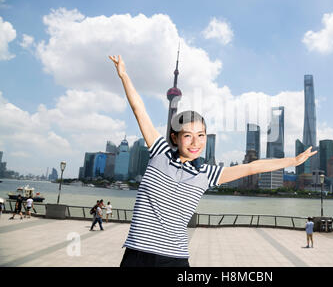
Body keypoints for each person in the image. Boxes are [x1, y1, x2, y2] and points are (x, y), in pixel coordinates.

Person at [109, 55, 317, 267]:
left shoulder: (207, 174)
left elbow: (252, 167)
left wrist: (293, 160)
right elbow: (139, 110)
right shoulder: (160, 152)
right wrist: (124, 75)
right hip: (136, 254)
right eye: (188, 135)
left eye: (201, 135)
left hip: (174, 259)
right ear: (175, 137)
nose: (195, 142)